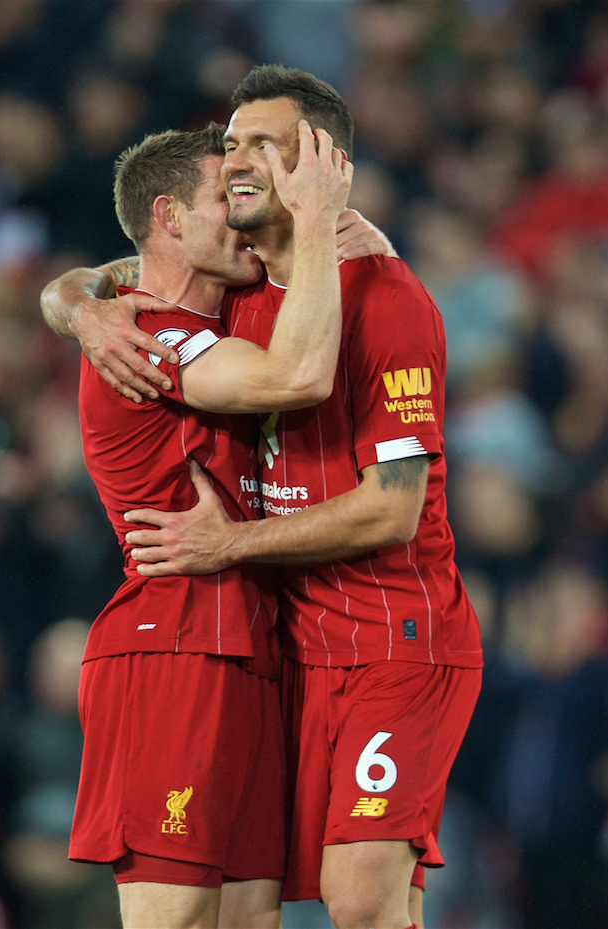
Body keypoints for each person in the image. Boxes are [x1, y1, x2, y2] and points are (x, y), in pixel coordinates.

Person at [42, 66, 483, 929]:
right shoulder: (188, 316)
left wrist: (231, 547)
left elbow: (394, 507)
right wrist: (77, 306)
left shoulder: (371, 299)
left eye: (257, 146)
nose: (236, 159)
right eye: (229, 150)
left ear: (320, 163)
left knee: (354, 902)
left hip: (383, 633)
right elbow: (132, 273)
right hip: (218, 643)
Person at [63, 119, 353, 929]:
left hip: (252, 650)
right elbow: (298, 375)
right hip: (173, 645)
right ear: (170, 217)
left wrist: (68, 296)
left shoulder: (204, 325)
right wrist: (322, 217)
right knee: (178, 919)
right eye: (226, 200)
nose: (247, 219)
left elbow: (89, 277)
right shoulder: (140, 335)